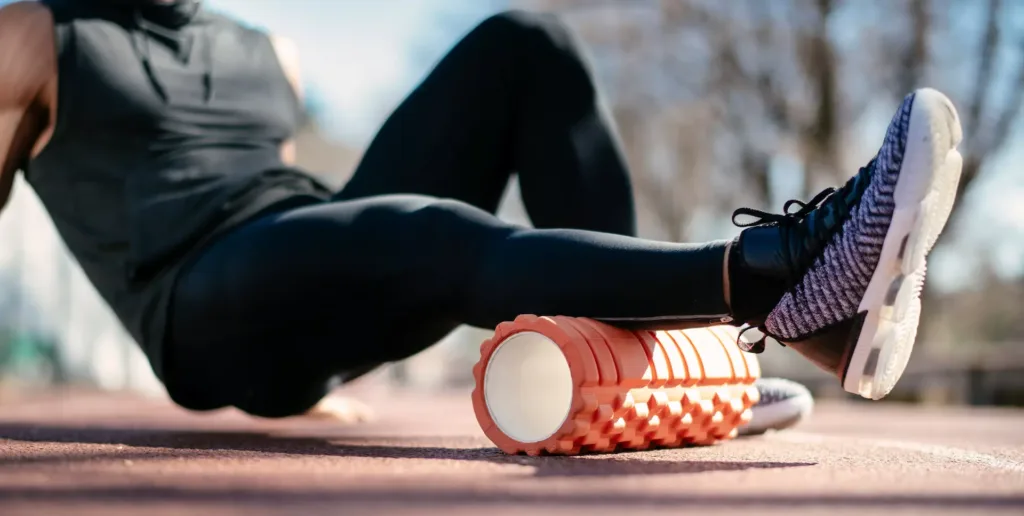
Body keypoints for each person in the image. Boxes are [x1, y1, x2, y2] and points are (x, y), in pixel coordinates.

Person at [0, 0, 961, 423]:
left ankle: (677, 366)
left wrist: (319, 360)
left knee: (525, 42)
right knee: (419, 231)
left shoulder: (266, 52)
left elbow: (299, 219)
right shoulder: (35, 35)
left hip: (301, 265)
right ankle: (774, 275)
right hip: (196, 306)